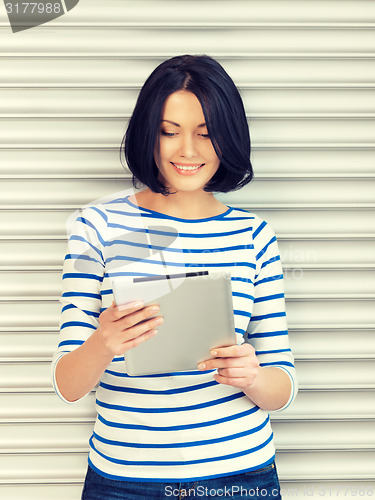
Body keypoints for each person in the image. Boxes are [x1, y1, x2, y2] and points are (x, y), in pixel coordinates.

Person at [52, 54, 297, 499]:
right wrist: (104, 342)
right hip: (124, 479)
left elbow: (283, 386)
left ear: (228, 139)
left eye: (206, 134)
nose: (188, 151)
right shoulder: (96, 228)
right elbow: (68, 385)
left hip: (241, 477)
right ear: (150, 134)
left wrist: (254, 377)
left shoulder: (254, 235)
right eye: (170, 132)